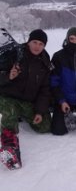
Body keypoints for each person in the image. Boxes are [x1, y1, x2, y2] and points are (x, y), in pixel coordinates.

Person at [0, 29, 52, 168]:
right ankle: (9, 146)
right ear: (28, 42)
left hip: (27, 101)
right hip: (7, 97)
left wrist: (40, 112)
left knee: (44, 126)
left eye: (41, 44)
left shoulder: (45, 63)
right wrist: (8, 76)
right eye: (34, 42)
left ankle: (20, 114)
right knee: (9, 112)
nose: (37, 46)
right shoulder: (15, 55)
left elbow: (45, 90)